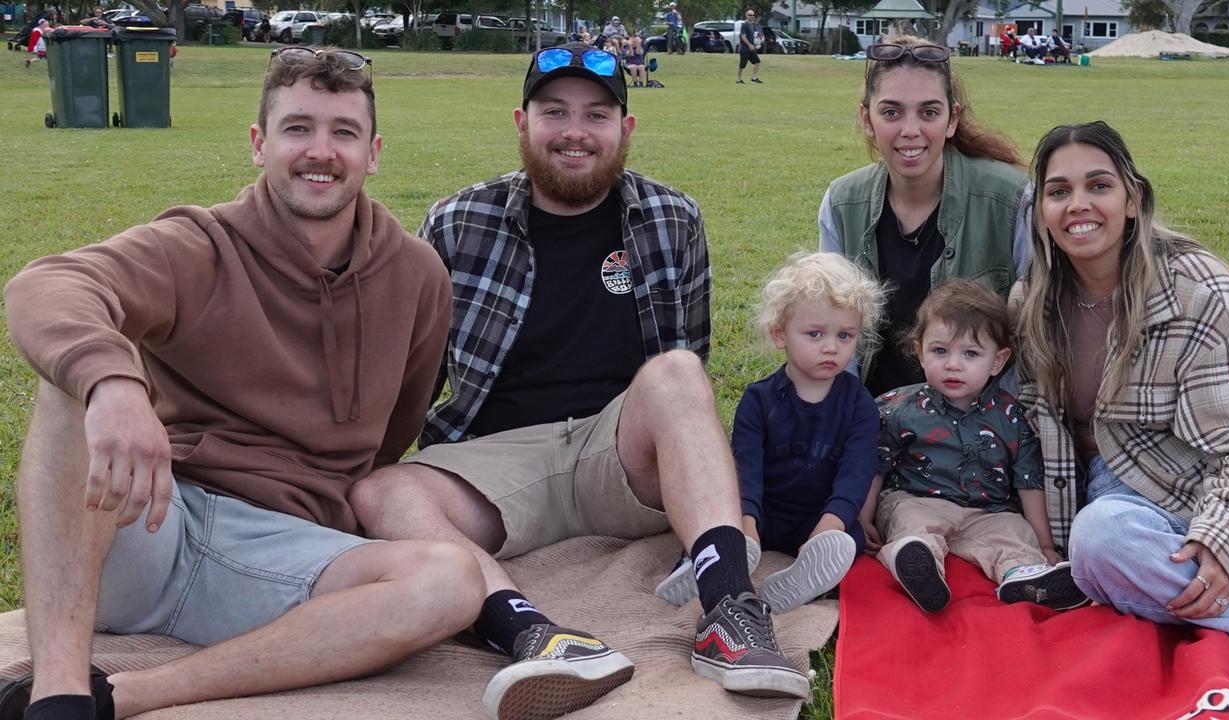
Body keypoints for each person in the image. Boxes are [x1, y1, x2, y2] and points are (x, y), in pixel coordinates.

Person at [0, 47, 483, 720]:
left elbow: (395, 431)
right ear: (259, 144)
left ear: (373, 153)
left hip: (288, 558)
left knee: (449, 581)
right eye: (297, 128)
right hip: (155, 522)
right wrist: (114, 384)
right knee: (69, 387)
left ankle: (129, 696)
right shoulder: (199, 246)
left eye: (343, 132)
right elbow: (46, 285)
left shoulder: (417, 277)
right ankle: (58, 693)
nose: (321, 151)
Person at [348, 42, 809, 720]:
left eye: (596, 115)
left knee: (677, 374)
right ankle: (531, 634)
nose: (574, 132)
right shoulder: (457, 221)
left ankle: (730, 612)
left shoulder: (672, 218)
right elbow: (414, 372)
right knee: (380, 489)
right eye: (554, 112)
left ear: (625, 129)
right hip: (500, 462)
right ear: (521, 122)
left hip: (615, 455)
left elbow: (691, 366)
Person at [1013, 120, 1229, 638]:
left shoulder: (1201, 292)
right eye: (1058, 192)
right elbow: (1033, 420)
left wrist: (1223, 536)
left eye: (1099, 186)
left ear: (1132, 199)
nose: (1078, 205)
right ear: (1042, 212)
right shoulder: (1032, 304)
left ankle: (1219, 581)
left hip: (1202, 478)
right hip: (1117, 505)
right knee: (1101, 543)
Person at [817, 34, 1029, 398]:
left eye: (929, 112)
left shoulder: (1011, 198)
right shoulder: (841, 203)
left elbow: (1037, 337)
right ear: (867, 119)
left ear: (952, 119)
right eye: (891, 112)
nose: (910, 130)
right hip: (872, 421)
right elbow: (833, 334)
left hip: (982, 428)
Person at [864, 279, 1087, 613]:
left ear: (998, 362)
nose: (954, 364)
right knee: (907, 519)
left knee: (1013, 531)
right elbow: (876, 465)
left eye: (970, 353)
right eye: (940, 351)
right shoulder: (898, 408)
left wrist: (1043, 542)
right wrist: (863, 517)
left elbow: (1028, 481)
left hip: (986, 513)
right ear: (918, 350)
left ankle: (1024, 575)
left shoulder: (1011, 416)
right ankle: (913, 562)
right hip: (918, 499)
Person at [680, 252, 883, 614]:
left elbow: (856, 474)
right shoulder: (759, 400)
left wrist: (828, 527)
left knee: (847, 539)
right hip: (765, 512)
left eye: (845, 335)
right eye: (815, 334)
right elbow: (746, 469)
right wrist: (747, 523)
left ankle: (802, 579)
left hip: (820, 514)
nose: (831, 347)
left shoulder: (860, 405)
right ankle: (706, 562)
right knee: (717, 520)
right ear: (780, 334)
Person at [736, 9, 761, 84]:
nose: (751, 16)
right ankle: (739, 80)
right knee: (742, 65)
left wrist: (755, 45)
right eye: (750, 15)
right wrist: (749, 45)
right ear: (746, 16)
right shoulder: (744, 25)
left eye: (753, 15)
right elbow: (743, 37)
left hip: (751, 49)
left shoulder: (752, 25)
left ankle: (753, 78)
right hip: (744, 48)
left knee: (757, 62)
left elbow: (753, 37)